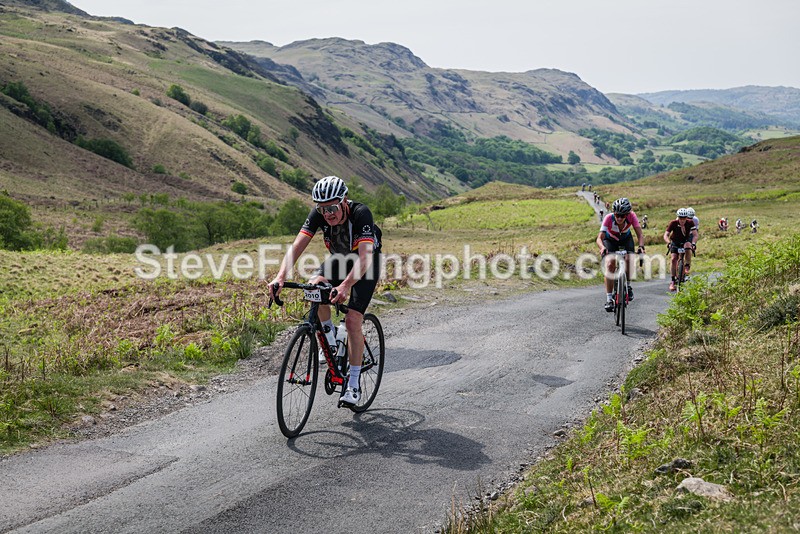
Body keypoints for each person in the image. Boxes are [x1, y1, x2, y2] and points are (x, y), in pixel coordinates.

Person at [268, 176, 382, 406]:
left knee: (352, 321)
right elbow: (297, 246)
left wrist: (345, 286)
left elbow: (364, 258)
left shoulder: (361, 213)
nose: (327, 214)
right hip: (339, 260)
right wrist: (280, 277)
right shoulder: (319, 214)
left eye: (332, 207)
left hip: (365, 265)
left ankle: (353, 384)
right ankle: (328, 340)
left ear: (344, 201)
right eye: (322, 208)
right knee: (314, 287)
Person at [596, 197, 645, 312]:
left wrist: (641, 247)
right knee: (610, 264)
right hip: (610, 240)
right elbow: (599, 238)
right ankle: (609, 299)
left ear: (627, 214)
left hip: (626, 239)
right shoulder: (608, 218)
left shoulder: (632, 216)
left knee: (629, 259)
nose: (619, 218)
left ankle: (627, 285)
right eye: (617, 215)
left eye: (622, 216)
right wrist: (602, 247)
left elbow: (640, 235)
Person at [663, 208, 699, 291]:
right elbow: (666, 235)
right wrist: (668, 243)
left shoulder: (690, 223)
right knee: (673, 259)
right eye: (680, 218)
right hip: (675, 241)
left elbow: (695, 235)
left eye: (684, 218)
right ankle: (672, 281)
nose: (682, 220)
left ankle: (686, 266)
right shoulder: (673, 223)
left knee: (688, 247)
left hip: (684, 241)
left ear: (686, 217)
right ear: (678, 217)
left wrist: (693, 243)